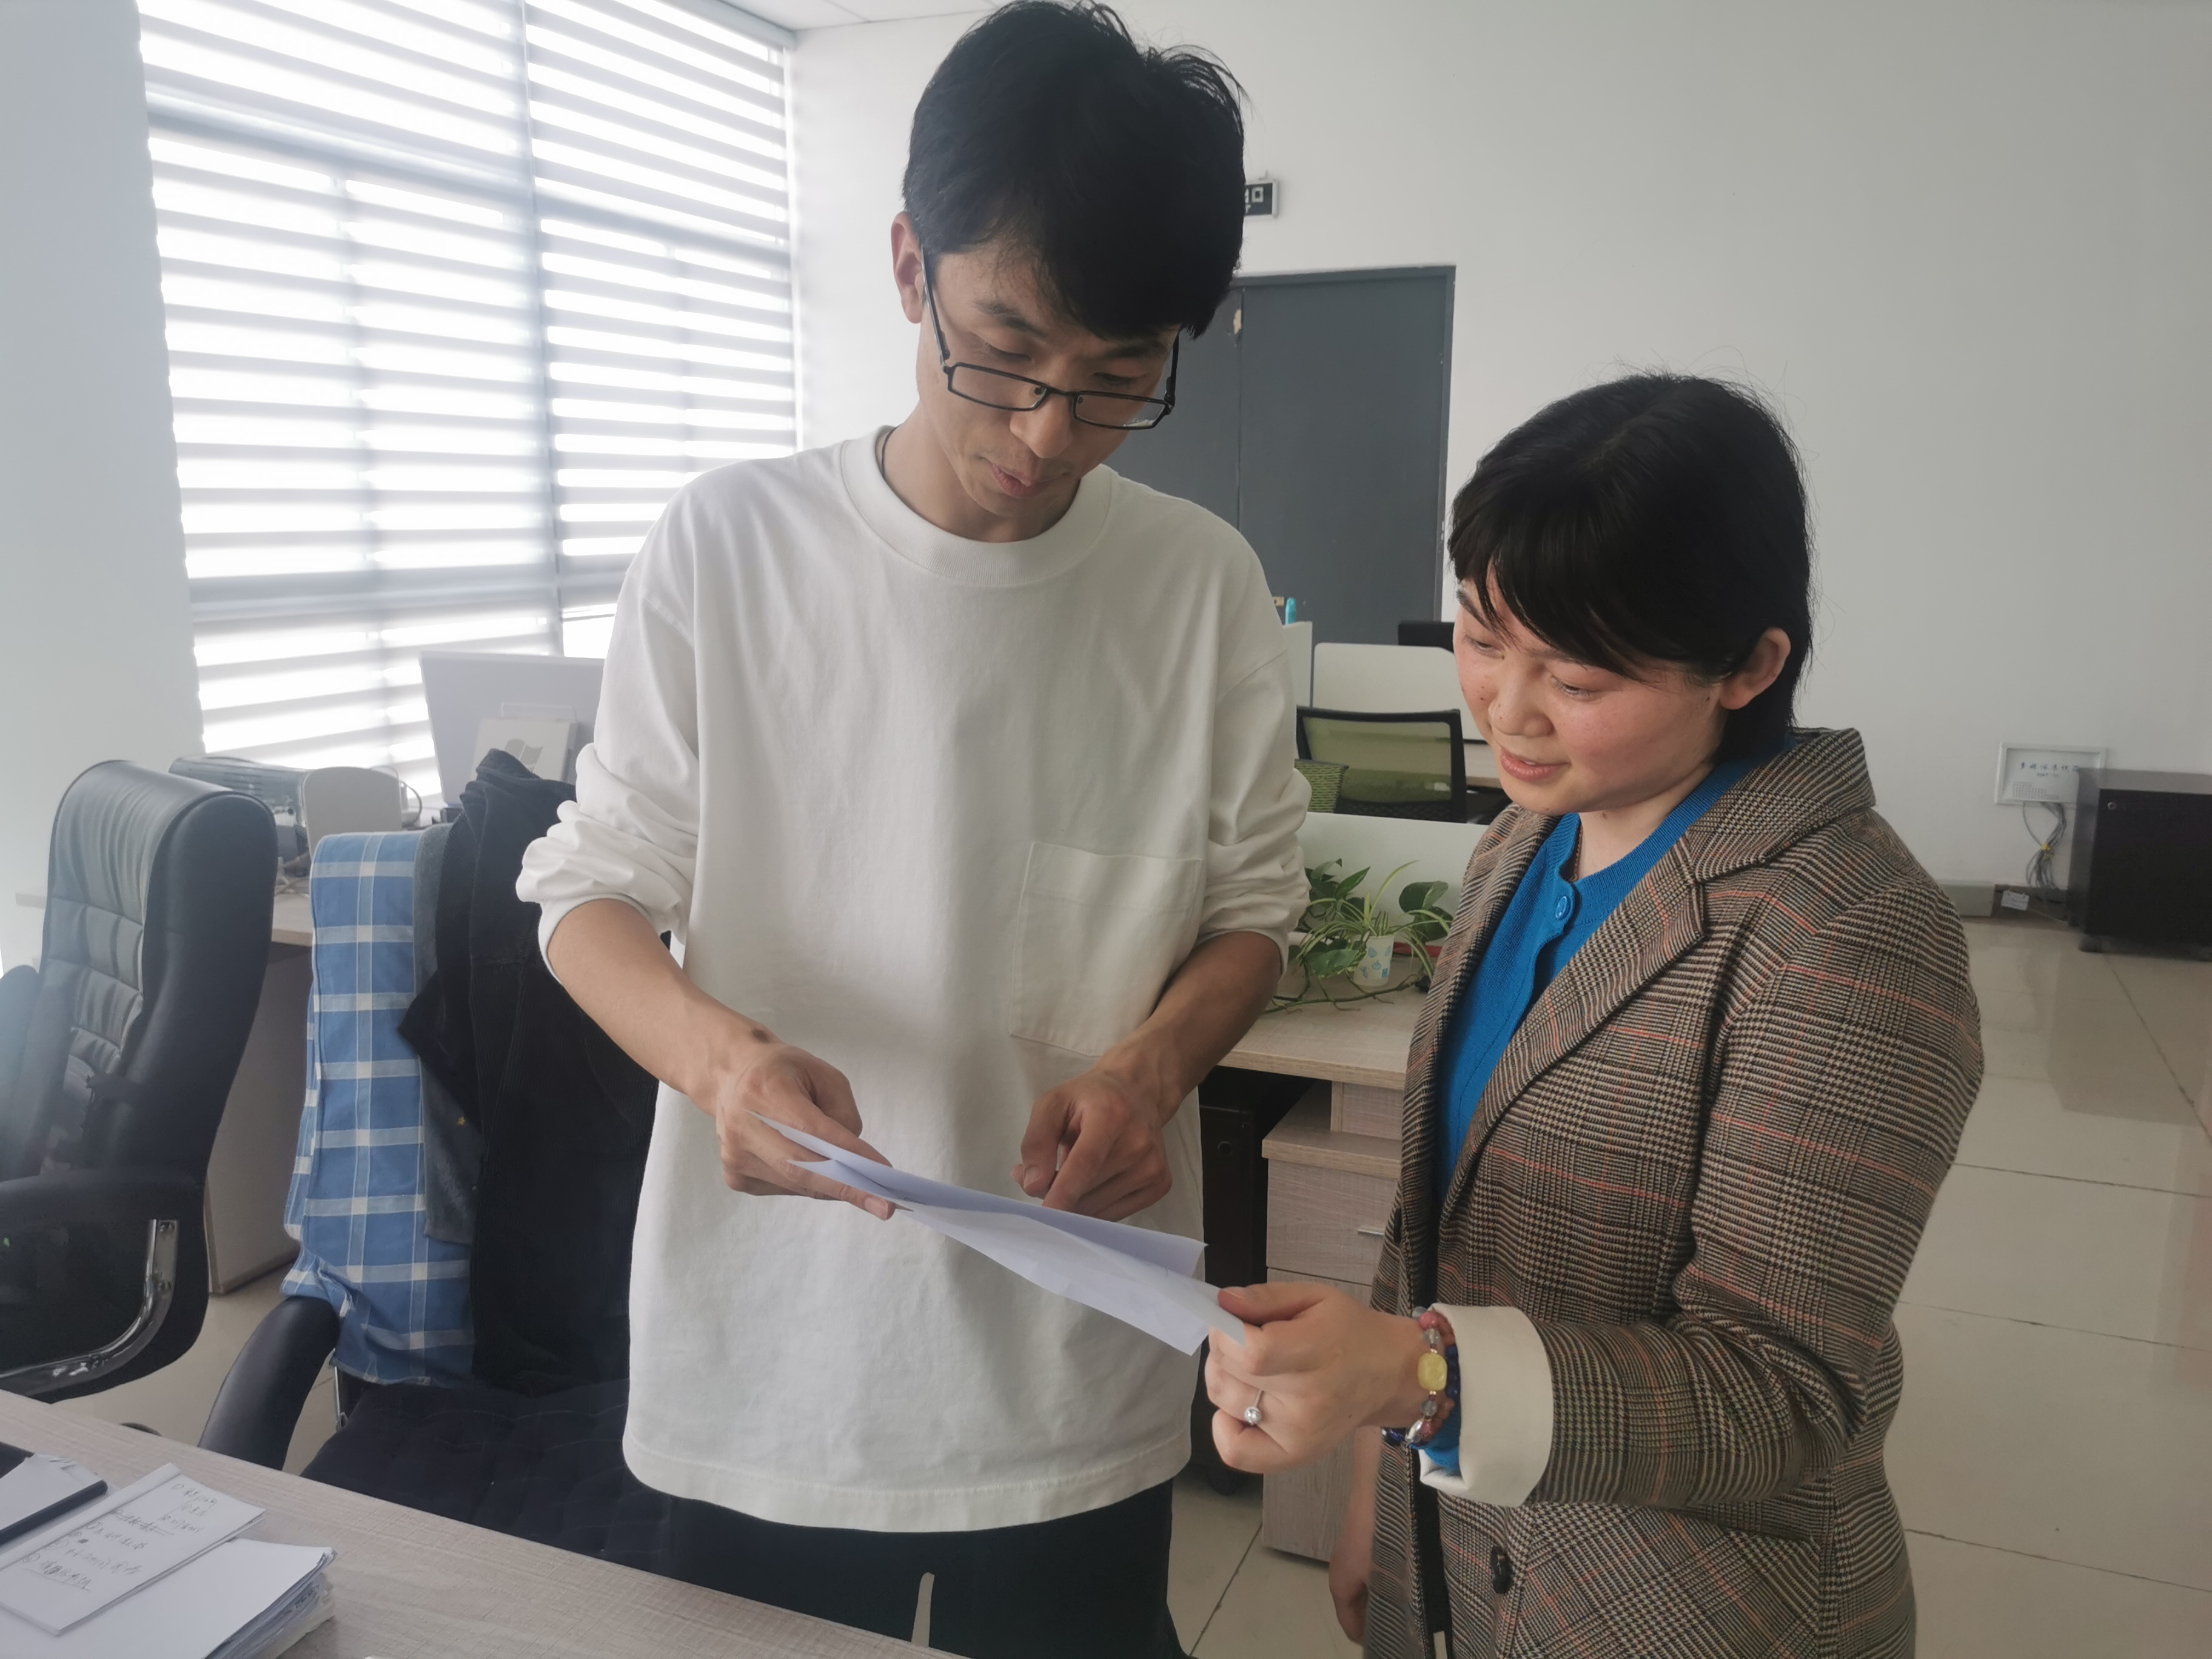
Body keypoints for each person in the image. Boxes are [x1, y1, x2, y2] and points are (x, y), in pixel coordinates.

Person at [515, 5, 1300, 1656]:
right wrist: (723, 1066)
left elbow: (1250, 912)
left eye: (1116, 384)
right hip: (777, 1359)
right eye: (1003, 351)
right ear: (906, 266)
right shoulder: (730, 548)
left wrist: (1148, 1070)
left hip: (1071, 1353)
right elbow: (587, 896)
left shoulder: (1199, 586)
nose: (1046, 434)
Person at [1202, 375, 1983, 1658]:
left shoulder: (1845, 934)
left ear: (1749, 667)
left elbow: (1782, 1391)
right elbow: (1433, 1213)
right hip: (1462, 1545)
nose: (1506, 709)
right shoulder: (1525, 841)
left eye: (1576, 674)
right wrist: (1378, 1495)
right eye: (1481, 637)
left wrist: (1418, 1375)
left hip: (1670, 1602)